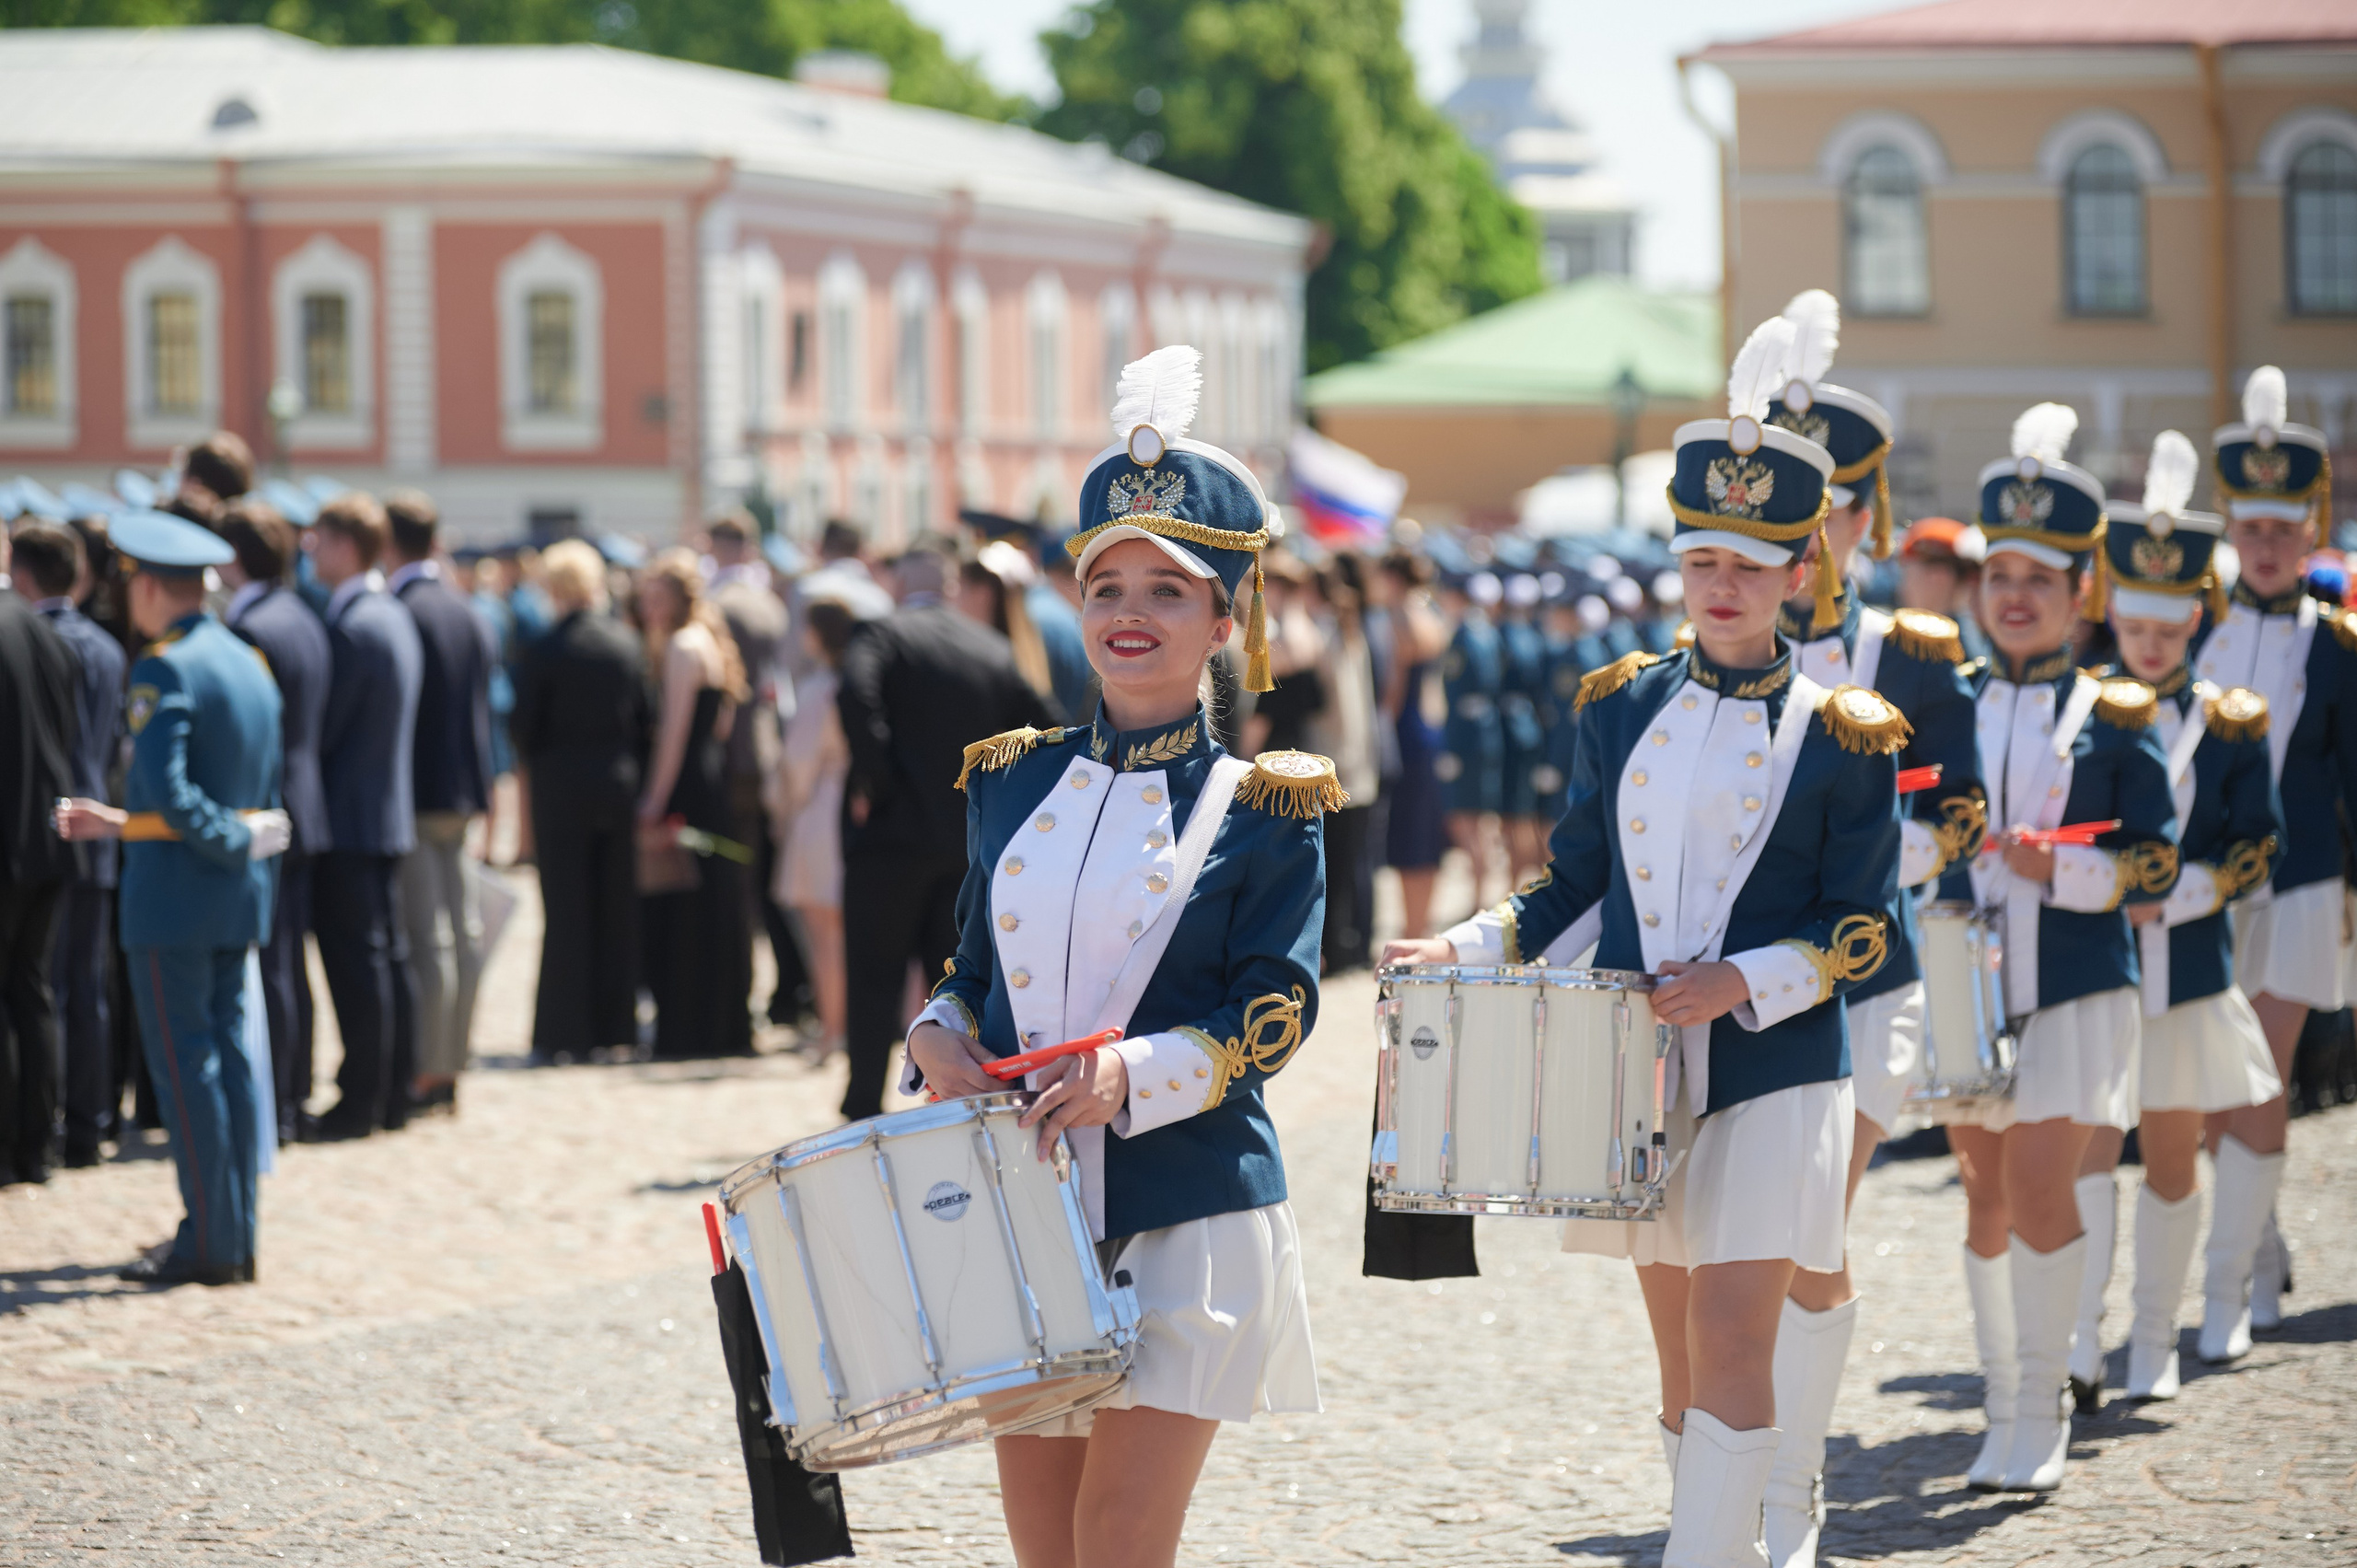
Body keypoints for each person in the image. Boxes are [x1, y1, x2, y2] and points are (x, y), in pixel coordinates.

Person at [1386, 315, 1904, 1568]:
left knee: (1735, 1330)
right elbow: (1570, 882)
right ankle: (1753, 1518)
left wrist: (1744, 976)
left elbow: (1862, 926)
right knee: (1680, 1356)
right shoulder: (1621, 705)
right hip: (1631, 1071)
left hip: (1780, 1066)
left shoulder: (1845, 729)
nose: (1722, 579)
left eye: (1752, 557)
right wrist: (1457, 949)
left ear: (1801, 570)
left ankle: (1725, 1543)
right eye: (1701, 555)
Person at [902, 343, 1327, 1568]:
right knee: (1047, 1549)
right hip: (1023, 1206)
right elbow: (971, 966)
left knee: (1119, 1539)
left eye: (1169, 590)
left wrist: (1130, 1072)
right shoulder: (1011, 778)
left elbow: (1276, 1011)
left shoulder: (1266, 803)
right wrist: (935, 1028)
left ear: (1225, 619)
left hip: (1184, 1203)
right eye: (1106, 586)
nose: (1130, 612)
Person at [1759, 289, 1987, 1565]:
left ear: (1868, 512)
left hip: (1862, 975)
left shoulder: (1913, 649)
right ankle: (1732, 1467)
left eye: (1838, 503)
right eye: (1794, 505)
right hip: (1731, 983)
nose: (1822, 528)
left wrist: (1844, 862)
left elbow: (1953, 810)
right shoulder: (1713, 639)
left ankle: (1792, 1486)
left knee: (1811, 1221)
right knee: (1730, 1241)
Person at [1950, 402, 2177, 1493]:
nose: (2016, 596)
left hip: (2079, 984)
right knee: (1983, 1193)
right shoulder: (1939, 704)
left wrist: (2067, 871)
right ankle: (2001, 1391)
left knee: (2042, 1184)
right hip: (1962, 996)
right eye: (2000, 574)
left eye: (2040, 578)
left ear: (2081, 593)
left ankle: (2041, 1403)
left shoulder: (2119, 713)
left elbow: (2157, 865)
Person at [2068, 431, 2284, 1408]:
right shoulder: (2076, 712)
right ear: (2113, 610)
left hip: (2187, 966)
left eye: (2168, 628)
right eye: (2136, 625)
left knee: (2166, 1152)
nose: (2149, 645)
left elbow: (2257, 838)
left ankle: (2155, 1332)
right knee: (2078, 1157)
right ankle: (2076, 1333)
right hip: (2086, 964)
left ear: (2196, 617)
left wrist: (2188, 889)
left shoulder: (2230, 719)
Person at [56, 510, 287, 1285]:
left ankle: (208, 1243)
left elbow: (176, 795)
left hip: (175, 898)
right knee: (227, 1063)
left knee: (189, 1070)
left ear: (150, 587)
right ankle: (235, 1231)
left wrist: (219, 837)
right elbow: (258, 787)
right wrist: (238, 844)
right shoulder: (248, 659)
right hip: (235, 894)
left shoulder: (163, 668)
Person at [2190, 366, 2352, 1362]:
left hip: (2300, 881)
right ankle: (2263, 1237)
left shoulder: (2338, 645)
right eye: (2248, 529)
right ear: (2230, 529)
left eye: (2281, 530)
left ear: (2308, 530)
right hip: (2205, 886)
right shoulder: (2192, 632)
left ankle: (2240, 1274)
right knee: (2214, 1079)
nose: (2263, 546)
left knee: (2261, 1072)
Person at [834, 539, 1053, 1121]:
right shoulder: (991, 648)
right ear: (952, 587)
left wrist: (873, 781)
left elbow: (855, 695)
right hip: (968, 841)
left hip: (889, 837)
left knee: (874, 973)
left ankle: (862, 1100)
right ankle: (953, 1101)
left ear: (899, 584)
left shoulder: (879, 635)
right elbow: (1047, 724)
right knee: (954, 978)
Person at [307, 492, 425, 1140]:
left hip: (351, 816)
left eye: (319, 539)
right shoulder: (389, 613)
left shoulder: (355, 622)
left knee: (359, 963)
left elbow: (328, 729)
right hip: (381, 810)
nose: (310, 550)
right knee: (386, 957)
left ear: (347, 544)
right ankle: (392, 1091)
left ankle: (363, 1098)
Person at [216, 502, 331, 1145]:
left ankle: (281, 1098)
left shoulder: (254, 624)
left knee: (276, 962)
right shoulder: (300, 614)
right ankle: (293, 1088)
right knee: (291, 962)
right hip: (306, 798)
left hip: (268, 804)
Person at [11, 525, 124, 1170]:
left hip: (55, 827)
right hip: (99, 832)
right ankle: (91, 1119)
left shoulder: (41, 640)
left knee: (49, 985)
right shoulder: (105, 645)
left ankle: (50, 1119)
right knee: (90, 987)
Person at [511, 540, 649, 1063]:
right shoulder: (624, 643)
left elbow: (524, 727)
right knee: (616, 908)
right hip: (616, 783)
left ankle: (563, 1030)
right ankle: (617, 1026)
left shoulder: (544, 647)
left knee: (565, 910)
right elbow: (644, 718)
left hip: (560, 788)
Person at [384, 491, 493, 1112]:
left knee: (430, 937)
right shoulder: (464, 605)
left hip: (418, 791)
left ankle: (432, 1067)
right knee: (464, 930)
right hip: (462, 786)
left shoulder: (403, 608)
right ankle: (454, 1058)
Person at [635, 549, 754, 1060]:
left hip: (685, 784)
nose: (648, 608)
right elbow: (718, 726)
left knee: (686, 910)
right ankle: (719, 1024)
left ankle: (689, 1027)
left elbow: (673, 734)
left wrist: (653, 800)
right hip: (711, 783)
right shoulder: (709, 642)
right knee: (711, 905)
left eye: (657, 598)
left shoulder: (683, 646)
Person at [0, 528, 80, 1186]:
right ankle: (38, 1143)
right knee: (33, 989)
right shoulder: (47, 632)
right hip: (48, 839)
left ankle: (8, 1145)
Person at [772, 598, 856, 1060]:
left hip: (820, 806)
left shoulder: (820, 686)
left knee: (825, 932)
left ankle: (833, 1030)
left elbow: (797, 763)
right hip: (846, 803)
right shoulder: (855, 680)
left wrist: (781, 806)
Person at [1371, 549, 1449, 938]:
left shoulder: (1401, 616)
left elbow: (1395, 687)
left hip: (1407, 729)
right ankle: (1420, 923)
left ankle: (1412, 927)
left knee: (1409, 835)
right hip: (1430, 729)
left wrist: (1380, 726)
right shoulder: (1431, 612)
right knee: (1426, 833)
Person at [1436, 569, 1508, 911]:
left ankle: (1479, 899)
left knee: (1467, 821)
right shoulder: (1487, 631)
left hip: (1468, 735)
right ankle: (1481, 896)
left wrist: (1451, 746)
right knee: (1478, 822)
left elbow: (1457, 693)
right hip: (1486, 730)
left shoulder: (1465, 635)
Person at [1897, 517, 1989, 660]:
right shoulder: (1970, 640)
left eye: (1907, 572)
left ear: (1938, 577)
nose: (1903, 586)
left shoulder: (1951, 651)